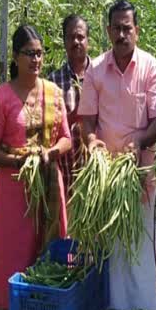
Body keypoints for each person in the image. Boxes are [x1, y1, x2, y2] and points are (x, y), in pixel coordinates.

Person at [0, 25, 71, 310]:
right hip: (15, 192)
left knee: (50, 252)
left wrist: (50, 153)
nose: (36, 59)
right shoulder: (2, 97)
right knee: (16, 257)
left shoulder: (52, 92)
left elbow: (66, 138)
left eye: (39, 53)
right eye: (29, 53)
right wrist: (19, 162)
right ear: (16, 58)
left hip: (49, 185)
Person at [78, 0, 156, 310]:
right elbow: (87, 118)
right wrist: (90, 140)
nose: (121, 34)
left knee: (141, 252)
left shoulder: (151, 68)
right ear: (108, 30)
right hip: (108, 183)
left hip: (140, 180)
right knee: (114, 252)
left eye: (127, 28)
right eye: (116, 28)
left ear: (137, 31)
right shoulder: (97, 70)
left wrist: (139, 142)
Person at [48, 13, 91, 193]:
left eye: (80, 37)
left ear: (88, 40)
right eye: (71, 37)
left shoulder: (101, 75)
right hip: (67, 176)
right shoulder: (53, 81)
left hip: (97, 176)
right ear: (64, 41)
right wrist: (71, 118)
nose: (76, 42)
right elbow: (48, 130)